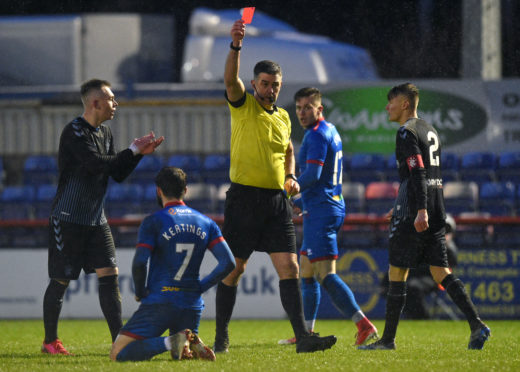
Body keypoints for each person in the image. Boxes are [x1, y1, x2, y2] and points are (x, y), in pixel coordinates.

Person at [213, 19, 337, 354]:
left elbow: (287, 150)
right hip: (243, 200)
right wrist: (236, 45)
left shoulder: (283, 116)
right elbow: (229, 79)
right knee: (235, 269)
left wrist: (292, 175)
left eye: (276, 84)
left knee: (290, 267)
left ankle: (303, 338)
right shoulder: (243, 104)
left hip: (276, 201)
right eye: (266, 83)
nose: (271, 88)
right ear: (254, 83)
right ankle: (221, 336)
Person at [359, 83, 490, 350]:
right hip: (437, 208)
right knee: (441, 272)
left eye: (391, 101)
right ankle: (477, 324)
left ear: (405, 104)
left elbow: (417, 173)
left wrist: (416, 210)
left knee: (397, 272)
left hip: (416, 213)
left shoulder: (406, 132)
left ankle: (388, 340)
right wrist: (403, 205)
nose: (387, 106)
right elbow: (426, 177)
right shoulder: (430, 130)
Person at [42, 78, 164, 355]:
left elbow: (116, 173)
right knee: (60, 280)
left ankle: (118, 341)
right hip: (68, 217)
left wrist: (137, 155)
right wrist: (131, 150)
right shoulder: (74, 132)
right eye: (111, 99)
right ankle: (50, 341)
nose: (115, 103)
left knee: (109, 275)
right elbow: (95, 165)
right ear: (95, 103)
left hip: (96, 219)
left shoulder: (105, 133)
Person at [278, 87, 378, 346]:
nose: (301, 113)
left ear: (319, 109)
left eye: (307, 108)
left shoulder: (316, 136)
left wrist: (288, 191)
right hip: (321, 207)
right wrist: (301, 200)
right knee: (307, 273)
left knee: (326, 275)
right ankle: (306, 332)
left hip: (322, 211)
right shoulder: (329, 130)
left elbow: (311, 176)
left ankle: (363, 324)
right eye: (298, 108)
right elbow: (319, 179)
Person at [110, 166, 235, 362]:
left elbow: (140, 262)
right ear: (185, 191)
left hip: (160, 302)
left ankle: (172, 341)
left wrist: (140, 291)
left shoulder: (154, 221)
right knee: (180, 356)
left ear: (158, 190)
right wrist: (200, 287)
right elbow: (228, 263)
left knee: (118, 353)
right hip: (191, 306)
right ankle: (185, 340)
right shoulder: (206, 222)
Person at [380, 214, 458, 319]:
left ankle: (424, 319)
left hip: (434, 278)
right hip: (416, 276)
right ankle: (411, 316)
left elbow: (446, 271)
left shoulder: (449, 249)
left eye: (446, 231)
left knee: (413, 287)